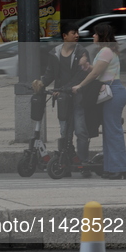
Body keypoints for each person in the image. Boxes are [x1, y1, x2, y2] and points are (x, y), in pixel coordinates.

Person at [32, 22, 90, 177]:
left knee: (80, 130)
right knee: (65, 131)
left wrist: (64, 88)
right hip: (63, 98)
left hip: (78, 97)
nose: (77, 35)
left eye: (77, 33)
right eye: (73, 33)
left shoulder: (82, 52)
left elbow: (81, 76)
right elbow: (50, 73)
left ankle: (84, 163)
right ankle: (66, 163)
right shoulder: (55, 53)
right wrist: (42, 83)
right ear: (65, 36)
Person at [72, 23, 126, 180]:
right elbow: (96, 70)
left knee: (113, 131)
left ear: (102, 35)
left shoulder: (105, 50)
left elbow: (96, 73)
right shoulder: (105, 51)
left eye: (96, 34)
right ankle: (112, 167)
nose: (93, 36)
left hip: (113, 92)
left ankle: (119, 168)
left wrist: (80, 85)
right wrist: (86, 66)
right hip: (110, 91)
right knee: (110, 131)